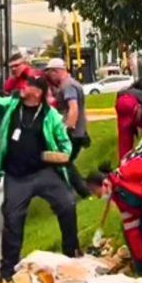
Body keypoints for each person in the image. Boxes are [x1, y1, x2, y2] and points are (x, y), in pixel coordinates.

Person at [0, 73, 77, 280]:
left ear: (38, 92)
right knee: (12, 220)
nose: (22, 87)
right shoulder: (11, 106)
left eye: (27, 85)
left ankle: (71, 255)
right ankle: (7, 271)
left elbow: (65, 143)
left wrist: (63, 156)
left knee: (67, 205)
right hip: (16, 176)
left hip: (44, 173)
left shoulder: (51, 116)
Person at [88, 141, 142, 274]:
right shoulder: (119, 195)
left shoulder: (129, 170)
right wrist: (140, 262)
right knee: (132, 231)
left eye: (96, 192)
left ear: (105, 184)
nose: (98, 197)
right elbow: (131, 226)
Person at [45, 58, 91, 198]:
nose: (50, 77)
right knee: (64, 163)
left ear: (56, 71)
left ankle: (83, 192)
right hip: (78, 132)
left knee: (63, 163)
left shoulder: (68, 86)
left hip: (72, 133)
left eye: (51, 73)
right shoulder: (70, 84)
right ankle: (79, 192)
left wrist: (66, 129)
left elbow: (73, 108)